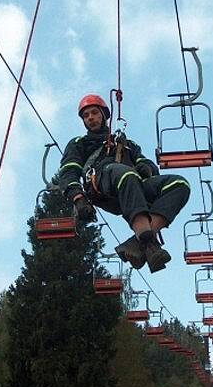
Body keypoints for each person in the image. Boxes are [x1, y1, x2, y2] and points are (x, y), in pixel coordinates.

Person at [59, 94, 191, 272]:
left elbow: (147, 164)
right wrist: (78, 197)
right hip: (101, 184)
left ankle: (137, 242)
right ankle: (149, 244)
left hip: (132, 187)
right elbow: (69, 171)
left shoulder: (126, 144)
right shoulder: (79, 143)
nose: (90, 118)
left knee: (179, 184)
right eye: (86, 115)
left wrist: (147, 166)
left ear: (104, 115)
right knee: (125, 173)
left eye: (94, 113)